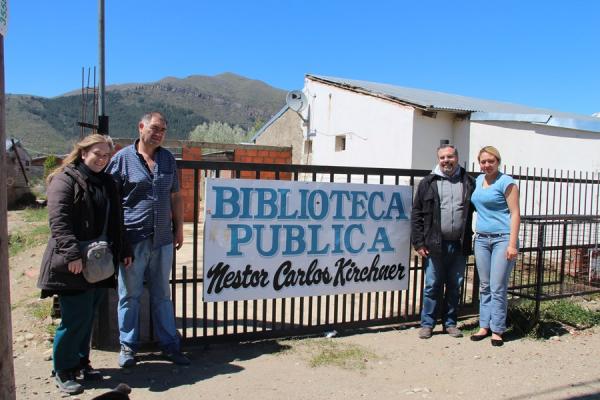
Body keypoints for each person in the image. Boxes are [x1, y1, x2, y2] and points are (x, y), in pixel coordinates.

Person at [37, 134, 132, 395]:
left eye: (106, 156)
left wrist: (124, 249)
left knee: (88, 316)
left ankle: (81, 363)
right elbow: (59, 221)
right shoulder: (65, 179)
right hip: (74, 264)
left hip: (99, 261)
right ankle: (63, 369)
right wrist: (72, 256)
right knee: (75, 317)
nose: (101, 159)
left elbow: (116, 221)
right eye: (97, 154)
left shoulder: (107, 182)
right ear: (83, 153)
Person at [107, 111, 189, 367]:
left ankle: (170, 346)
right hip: (133, 239)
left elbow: (175, 196)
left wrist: (179, 228)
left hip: (162, 239)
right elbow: (111, 201)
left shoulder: (167, 160)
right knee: (129, 295)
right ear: (141, 126)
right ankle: (128, 348)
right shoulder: (122, 159)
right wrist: (119, 240)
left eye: (163, 130)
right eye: (154, 128)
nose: (159, 134)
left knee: (162, 294)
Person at [411, 144, 476, 339]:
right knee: (432, 285)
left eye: (450, 157)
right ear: (438, 159)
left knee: (455, 285)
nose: (446, 161)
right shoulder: (428, 183)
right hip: (434, 245)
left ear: (457, 157)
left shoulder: (469, 182)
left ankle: (450, 323)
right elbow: (416, 214)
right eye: (442, 158)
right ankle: (427, 324)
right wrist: (419, 243)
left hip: (459, 244)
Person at [470, 146, 520, 347]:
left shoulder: (506, 182)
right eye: (483, 161)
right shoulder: (477, 182)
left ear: (498, 161)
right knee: (484, 285)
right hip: (481, 239)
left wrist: (512, 244)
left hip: (502, 239)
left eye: (491, 161)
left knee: (497, 286)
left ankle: (498, 329)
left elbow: (515, 213)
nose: (486, 165)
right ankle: (484, 325)